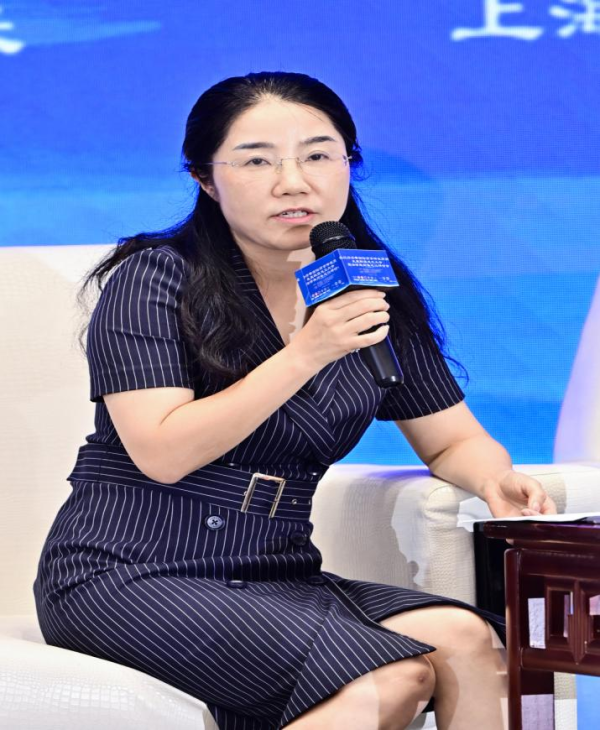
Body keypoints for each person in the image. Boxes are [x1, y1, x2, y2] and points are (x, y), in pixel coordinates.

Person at [34, 71, 557, 730]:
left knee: (470, 641)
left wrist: (493, 478)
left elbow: (452, 439)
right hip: (127, 569)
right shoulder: (154, 278)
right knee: (391, 676)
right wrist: (306, 353)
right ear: (205, 179)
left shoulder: (367, 286)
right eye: (257, 161)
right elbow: (162, 451)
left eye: (317, 155)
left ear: (348, 166)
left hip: (274, 568)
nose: (294, 182)